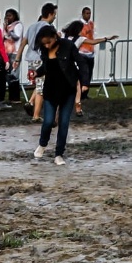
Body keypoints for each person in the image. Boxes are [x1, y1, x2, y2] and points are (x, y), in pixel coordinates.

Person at [32, 24, 84, 166]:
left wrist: (84, 82)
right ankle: (42, 144)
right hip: (50, 90)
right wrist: (37, 72)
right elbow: (47, 66)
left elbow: (81, 62)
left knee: (64, 123)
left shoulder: (68, 46)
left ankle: (59, 154)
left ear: (55, 36)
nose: (47, 46)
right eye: (44, 44)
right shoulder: (44, 49)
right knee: (48, 121)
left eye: (49, 42)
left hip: (68, 90)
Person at [14, 2, 57, 123]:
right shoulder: (48, 27)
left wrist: (17, 59)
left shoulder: (32, 26)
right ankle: (36, 115)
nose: (54, 17)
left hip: (31, 58)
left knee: (39, 84)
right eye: (54, 15)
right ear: (50, 14)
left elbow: (23, 43)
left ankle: (31, 103)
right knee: (41, 88)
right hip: (41, 58)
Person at [76, 6, 118, 100]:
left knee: (89, 73)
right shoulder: (79, 24)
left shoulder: (91, 24)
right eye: (87, 13)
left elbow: (93, 36)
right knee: (84, 73)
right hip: (82, 52)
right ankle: (80, 93)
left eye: (90, 13)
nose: (89, 15)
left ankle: (85, 94)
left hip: (90, 51)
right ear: (83, 14)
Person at [3, 9, 23, 103]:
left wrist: (8, 31)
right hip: (7, 52)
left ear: (14, 16)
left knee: (14, 74)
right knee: (8, 75)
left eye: (10, 15)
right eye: (7, 15)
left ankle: (15, 97)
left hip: (15, 52)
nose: (8, 17)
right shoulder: (8, 26)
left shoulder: (18, 25)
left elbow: (17, 36)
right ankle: (11, 97)